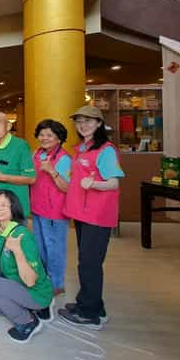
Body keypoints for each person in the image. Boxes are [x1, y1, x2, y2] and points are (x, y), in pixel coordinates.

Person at [58, 106, 124, 329]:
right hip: (82, 213)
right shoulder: (82, 148)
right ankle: (94, 307)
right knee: (86, 262)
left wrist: (94, 183)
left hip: (97, 215)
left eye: (88, 121)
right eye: (79, 122)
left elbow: (113, 182)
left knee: (89, 264)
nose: (83, 125)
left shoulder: (105, 150)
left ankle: (89, 314)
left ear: (99, 123)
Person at [0, 190, 54, 344]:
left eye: (4, 205)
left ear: (13, 208)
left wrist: (17, 251)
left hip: (36, 291)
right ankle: (32, 308)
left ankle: (28, 322)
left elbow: (30, 281)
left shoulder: (22, 235)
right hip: (16, 283)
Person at [31, 119, 71, 296]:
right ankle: (45, 279)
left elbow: (67, 187)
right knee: (40, 247)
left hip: (55, 212)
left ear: (59, 138)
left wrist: (52, 171)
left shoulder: (64, 158)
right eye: (41, 134)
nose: (44, 138)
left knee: (54, 248)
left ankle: (57, 284)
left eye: (49, 135)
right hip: (37, 209)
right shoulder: (37, 153)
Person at [0, 112, 36, 220]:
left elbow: (31, 178)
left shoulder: (20, 145)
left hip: (14, 208)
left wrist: (2, 177)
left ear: (8, 126)